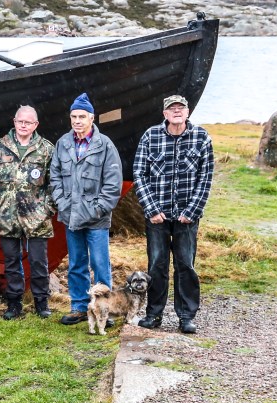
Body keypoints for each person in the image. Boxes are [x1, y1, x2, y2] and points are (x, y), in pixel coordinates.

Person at [132, 95, 215, 334]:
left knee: (185, 265)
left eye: (181, 108)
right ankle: (154, 315)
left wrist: (192, 211)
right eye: (172, 108)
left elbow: (205, 177)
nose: (177, 111)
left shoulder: (201, 137)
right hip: (157, 217)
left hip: (186, 217)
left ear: (188, 112)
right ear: (165, 114)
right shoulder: (150, 136)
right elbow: (139, 174)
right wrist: (151, 209)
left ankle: (186, 317)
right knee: (156, 265)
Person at [49, 93, 123, 326]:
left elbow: (113, 184)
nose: (77, 120)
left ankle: (103, 311)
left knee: (100, 265)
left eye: (82, 116)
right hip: (71, 216)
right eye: (74, 116)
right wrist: (62, 203)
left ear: (92, 118)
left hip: (97, 218)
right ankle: (79, 307)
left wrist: (99, 208)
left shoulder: (105, 146)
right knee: (76, 263)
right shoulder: (63, 143)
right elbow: (55, 177)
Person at [0, 105, 56, 319]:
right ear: (14, 121)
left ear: (36, 125)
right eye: (20, 121)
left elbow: (54, 183)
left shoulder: (46, 149)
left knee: (38, 262)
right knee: (11, 261)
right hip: (7, 215)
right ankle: (14, 303)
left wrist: (47, 209)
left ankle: (41, 303)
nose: (23, 125)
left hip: (37, 216)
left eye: (28, 122)